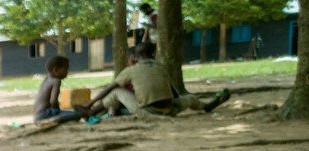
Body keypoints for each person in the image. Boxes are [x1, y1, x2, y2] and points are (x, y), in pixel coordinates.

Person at [85, 42, 231, 118]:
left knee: (116, 91)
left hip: (148, 112)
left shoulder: (130, 70)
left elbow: (109, 88)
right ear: (153, 54)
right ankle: (206, 106)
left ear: (135, 57)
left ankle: (90, 112)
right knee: (191, 98)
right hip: (170, 109)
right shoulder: (161, 66)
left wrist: (91, 102)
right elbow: (174, 92)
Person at [33, 56, 88, 126]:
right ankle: (53, 120)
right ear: (56, 70)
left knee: (72, 112)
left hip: (37, 115)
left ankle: (48, 120)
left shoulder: (47, 79)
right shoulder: (56, 81)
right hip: (46, 114)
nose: (67, 72)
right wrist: (57, 111)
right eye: (66, 69)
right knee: (78, 115)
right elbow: (53, 101)